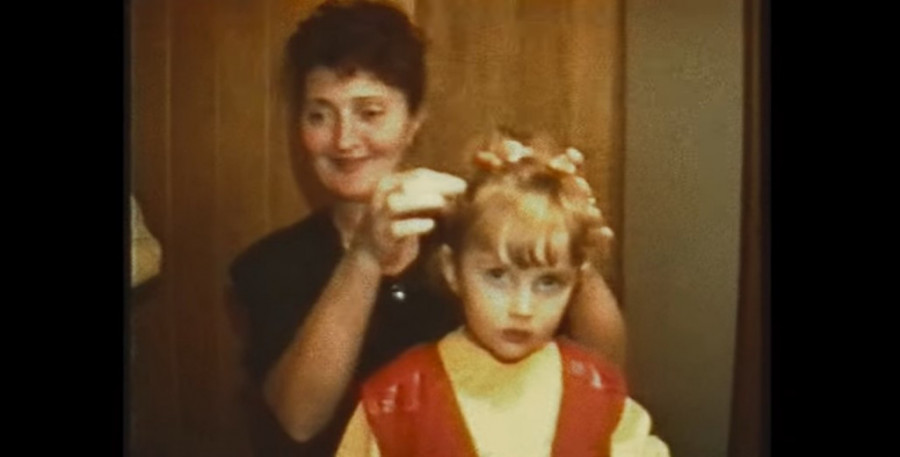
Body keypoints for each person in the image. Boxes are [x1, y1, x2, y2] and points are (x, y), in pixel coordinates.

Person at [228, 1, 626, 455]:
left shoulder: (474, 232)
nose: (343, 139)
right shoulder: (270, 265)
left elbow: (606, 368)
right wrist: (365, 255)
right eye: (319, 114)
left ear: (414, 120)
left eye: (369, 113)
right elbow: (300, 420)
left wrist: (566, 237)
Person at [335, 132, 668, 457]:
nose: (523, 308)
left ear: (576, 280)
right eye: (497, 276)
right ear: (452, 270)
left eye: (548, 282)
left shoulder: (600, 398)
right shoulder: (396, 402)